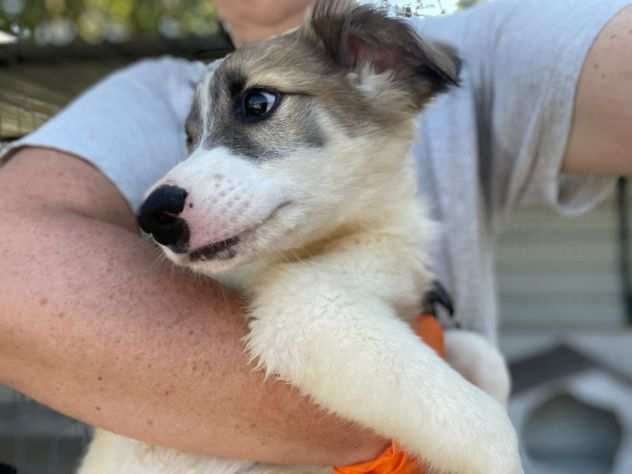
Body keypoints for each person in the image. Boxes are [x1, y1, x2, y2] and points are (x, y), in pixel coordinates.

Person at [1, 0, 631, 467]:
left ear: (378, 65)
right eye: (194, 139)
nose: (194, 164)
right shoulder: (145, 96)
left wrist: (459, 365)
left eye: (257, 107)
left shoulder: (433, 49)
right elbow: (305, 329)